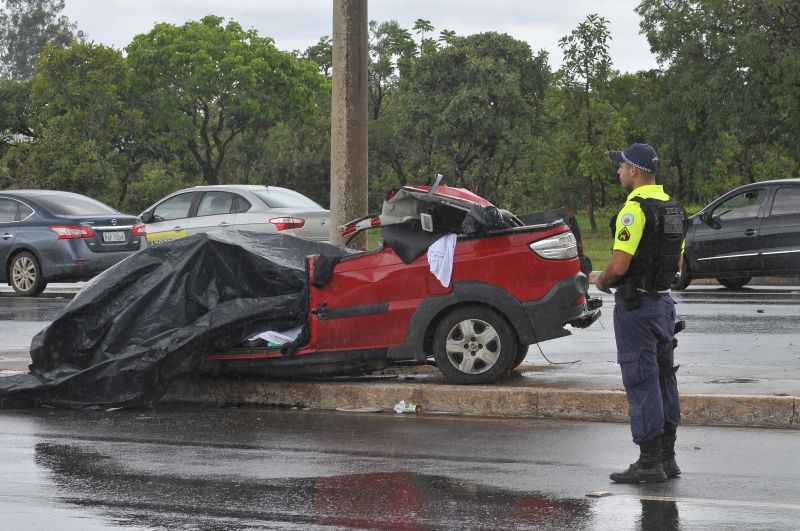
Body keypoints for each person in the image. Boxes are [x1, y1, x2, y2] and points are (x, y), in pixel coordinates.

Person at [595, 143, 687, 484]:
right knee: (666, 377)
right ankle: (668, 457)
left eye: (621, 166)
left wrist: (601, 280)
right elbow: (677, 262)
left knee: (641, 379)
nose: (618, 171)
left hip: (637, 308)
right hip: (664, 304)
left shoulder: (633, 211)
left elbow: (620, 264)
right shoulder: (674, 208)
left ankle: (649, 463)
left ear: (635, 170)